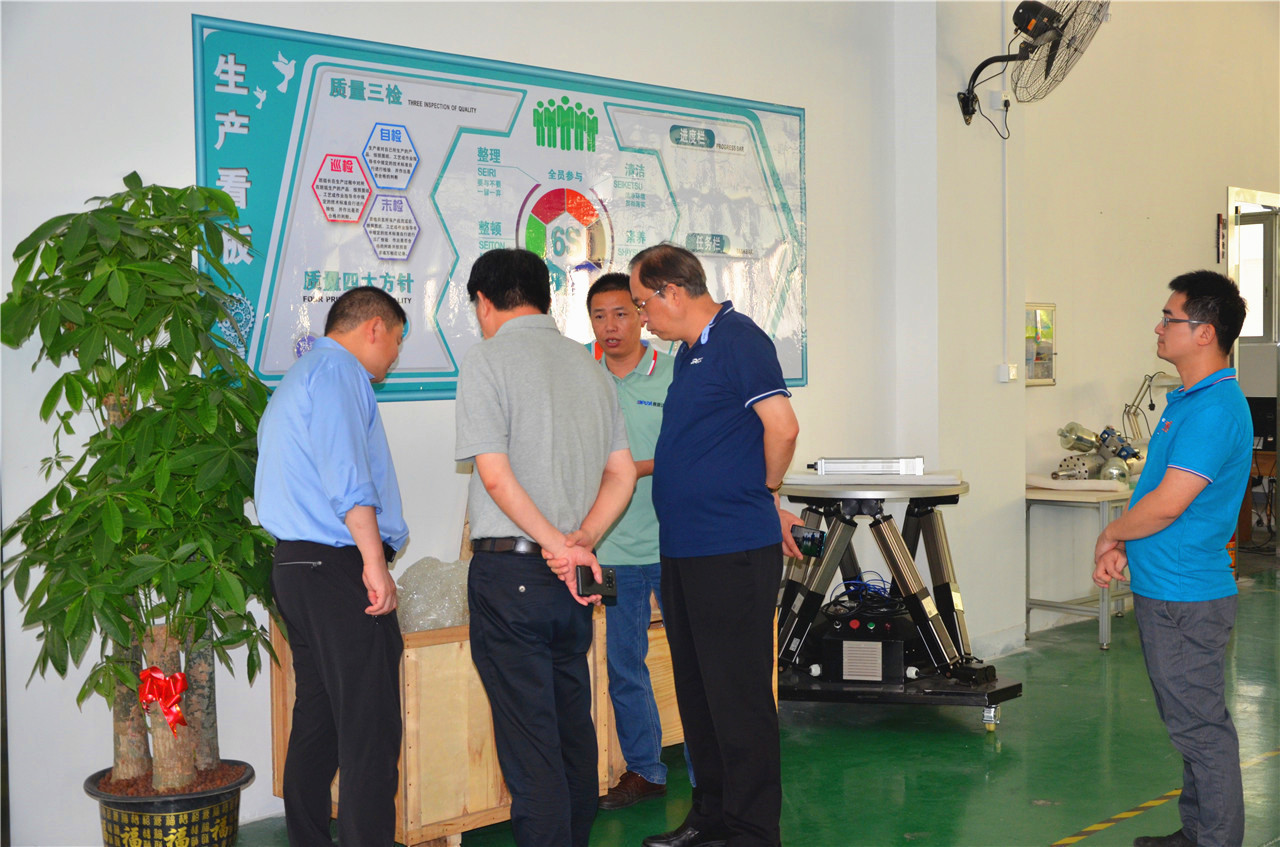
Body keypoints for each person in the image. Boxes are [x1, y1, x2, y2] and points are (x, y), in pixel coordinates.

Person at [454, 248, 637, 847]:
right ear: (545, 298)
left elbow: (496, 477)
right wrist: (582, 540)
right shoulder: (590, 366)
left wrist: (558, 543)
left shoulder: (487, 361)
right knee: (570, 730)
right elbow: (622, 473)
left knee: (530, 744)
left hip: (513, 577)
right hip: (571, 581)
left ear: (485, 302)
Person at [628, 244, 802, 847]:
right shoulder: (689, 353)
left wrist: (766, 492)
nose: (642, 317)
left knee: (738, 695)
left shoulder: (738, 340)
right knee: (699, 692)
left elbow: (783, 427)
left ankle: (752, 830)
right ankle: (712, 817)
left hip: (730, 550)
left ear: (673, 292)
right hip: (685, 550)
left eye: (643, 303)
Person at [1093, 270, 1251, 847]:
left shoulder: (1214, 411)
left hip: (1187, 596)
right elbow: (1158, 496)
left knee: (1201, 729)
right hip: (1168, 587)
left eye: (1170, 318)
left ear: (1205, 332)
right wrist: (1126, 544)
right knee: (1189, 725)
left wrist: (1111, 534)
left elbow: (1167, 504)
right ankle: (1199, 831)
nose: (1159, 328)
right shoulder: (1188, 401)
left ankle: (1216, 841)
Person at [254, 286, 408, 846]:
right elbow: (348, 479)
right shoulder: (340, 372)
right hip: (336, 565)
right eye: (396, 340)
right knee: (369, 727)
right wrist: (374, 563)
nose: (395, 354)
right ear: (374, 328)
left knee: (318, 720)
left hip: (297, 566)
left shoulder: (302, 375)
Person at [585, 272, 682, 810]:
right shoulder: (582, 375)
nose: (611, 326)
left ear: (641, 315)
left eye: (621, 313)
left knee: (693, 663)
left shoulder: (673, 373)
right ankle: (645, 770)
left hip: (674, 545)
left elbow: (689, 451)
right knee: (624, 665)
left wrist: (631, 470)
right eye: (599, 316)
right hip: (611, 551)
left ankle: (708, 771)